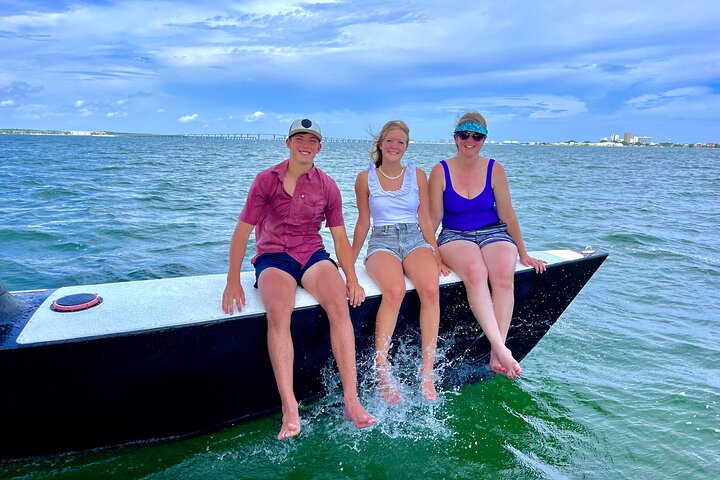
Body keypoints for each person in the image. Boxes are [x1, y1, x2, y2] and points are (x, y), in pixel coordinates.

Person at [221, 118, 376, 440]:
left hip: (312, 254)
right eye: (299, 139)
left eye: (312, 141)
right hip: (274, 257)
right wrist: (232, 280)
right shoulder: (266, 180)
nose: (305, 145)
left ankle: (351, 400)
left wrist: (351, 277)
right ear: (288, 143)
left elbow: (339, 237)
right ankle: (289, 407)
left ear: (319, 148)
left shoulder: (327, 185)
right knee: (279, 310)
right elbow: (242, 232)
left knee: (339, 304)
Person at [428, 112, 546, 379]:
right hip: (455, 235)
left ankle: (496, 353)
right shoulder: (440, 171)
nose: (470, 140)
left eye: (477, 136)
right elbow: (433, 219)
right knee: (475, 272)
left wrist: (524, 253)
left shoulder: (495, 169)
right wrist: (433, 255)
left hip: (493, 232)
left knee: (504, 274)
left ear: (484, 139)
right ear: (455, 138)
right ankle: (503, 349)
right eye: (464, 135)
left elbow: (507, 215)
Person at [351, 120, 445, 404]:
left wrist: (436, 253)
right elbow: (363, 222)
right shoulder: (364, 179)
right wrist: (349, 263)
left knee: (431, 290)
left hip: (414, 238)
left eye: (400, 142)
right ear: (380, 144)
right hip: (382, 241)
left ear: (406, 146)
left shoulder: (417, 175)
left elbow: (425, 218)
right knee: (394, 291)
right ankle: (382, 370)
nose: (394, 146)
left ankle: (427, 372)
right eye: (390, 141)